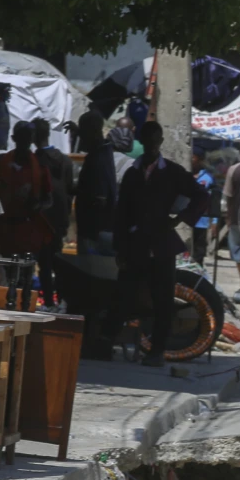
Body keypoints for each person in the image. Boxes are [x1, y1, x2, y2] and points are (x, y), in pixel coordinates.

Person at [112, 120, 209, 366]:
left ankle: (157, 351)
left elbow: (201, 196)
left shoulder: (173, 172)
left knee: (163, 299)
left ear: (161, 141)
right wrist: (119, 247)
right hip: (135, 244)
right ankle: (112, 340)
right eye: (148, 140)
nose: (152, 144)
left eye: (156, 140)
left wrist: (179, 220)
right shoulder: (133, 173)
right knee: (125, 294)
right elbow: (122, 212)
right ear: (142, 142)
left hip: (161, 243)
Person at [0, 120, 54, 255]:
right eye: (22, 136)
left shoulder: (41, 165)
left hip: (28, 229)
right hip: (5, 228)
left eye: (28, 137)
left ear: (32, 139)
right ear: (14, 138)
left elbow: (48, 199)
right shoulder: (1, 161)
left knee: (26, 271)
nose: (25, 141)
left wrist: (38, 205)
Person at [33, 118, 74, 305]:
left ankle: (48, 302)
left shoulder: (35, 161)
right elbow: (69, 192)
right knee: (58, 262)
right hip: (59, 219)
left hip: (41, 221)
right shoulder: (65, 160)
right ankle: (63, 300)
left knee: (43, 264)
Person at [75, 110, 118, 255]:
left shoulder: (98, 160)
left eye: (82, 134)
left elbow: (99, 200)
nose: (80, 139)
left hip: (94, 233)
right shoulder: (103, 152)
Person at [219, 160, 240, 265]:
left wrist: (227, 215)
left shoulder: (234, 169)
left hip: (236, 217)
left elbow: (227, 195)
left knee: (237, 252)